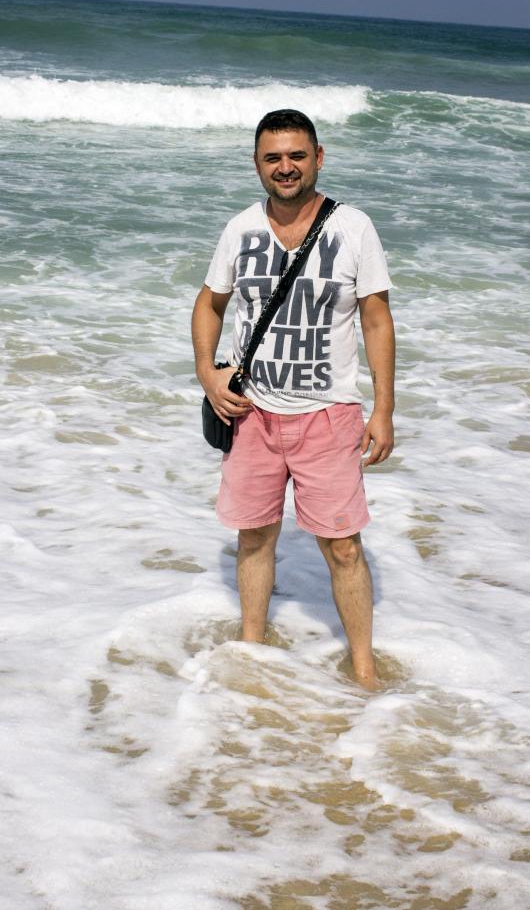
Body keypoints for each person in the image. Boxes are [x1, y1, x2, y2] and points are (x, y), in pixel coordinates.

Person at [191, 109, 395, 689]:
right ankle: (251, 649)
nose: (286, 167)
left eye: (297, 155)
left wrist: (383, 408)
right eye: (273, 157)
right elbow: (210, 303)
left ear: (318, 158)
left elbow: (377, 320)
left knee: (344, 547)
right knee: (254, 536)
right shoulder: (240, 229)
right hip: (251, 413)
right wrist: (208, 373)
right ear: (257, 164)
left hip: (328, 415)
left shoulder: (352, 227)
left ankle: (363, 669)